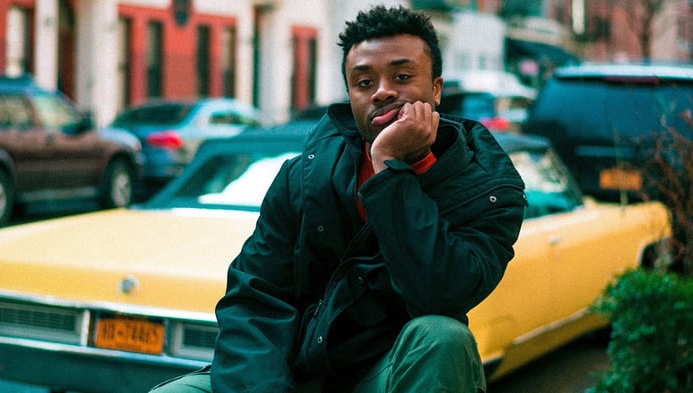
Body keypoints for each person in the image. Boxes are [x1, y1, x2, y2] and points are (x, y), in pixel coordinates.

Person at [151, 5, 525, 393]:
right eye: (364, 83)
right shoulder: (304, 176)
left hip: (386, 376)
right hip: (288, 373)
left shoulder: (487, 190)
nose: (382, 91)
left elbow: (440, 294)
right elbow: (255, 299)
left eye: (401, 76)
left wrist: (389, 167)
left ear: (436, 88)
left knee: (442, 336)